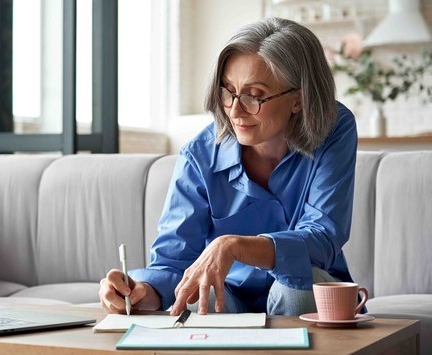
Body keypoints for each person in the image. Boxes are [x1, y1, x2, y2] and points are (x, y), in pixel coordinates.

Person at [99, 17, 358, 317]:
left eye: (254, 96)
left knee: (297, 285)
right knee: (200, 294)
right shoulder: (199, 155)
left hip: (304, 292)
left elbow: (323, 236)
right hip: (229, 296)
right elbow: (173, 262)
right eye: (228, 92)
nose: (235, 111)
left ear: (298, 100)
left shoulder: (334, 128)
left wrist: (234, 246)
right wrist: (141, 292)